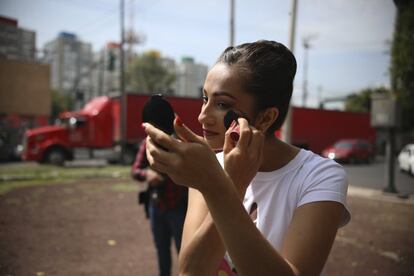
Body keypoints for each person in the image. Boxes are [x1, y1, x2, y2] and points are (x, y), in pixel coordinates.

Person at [142, 40, 350, 275]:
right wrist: (223, 183)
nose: (202, 116)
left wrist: (223, 186)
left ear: (265, 118)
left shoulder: (320, 176)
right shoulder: (208, 167)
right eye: (204, 99)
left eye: (221, 104)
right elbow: (191, 272)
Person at [131, 95, 188, 276]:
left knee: (185, 253)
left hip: (179, 207)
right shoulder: (146, 144)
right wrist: (147, 174)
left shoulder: (178, 145)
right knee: (161, 251)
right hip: (157, 207)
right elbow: (135, 170)